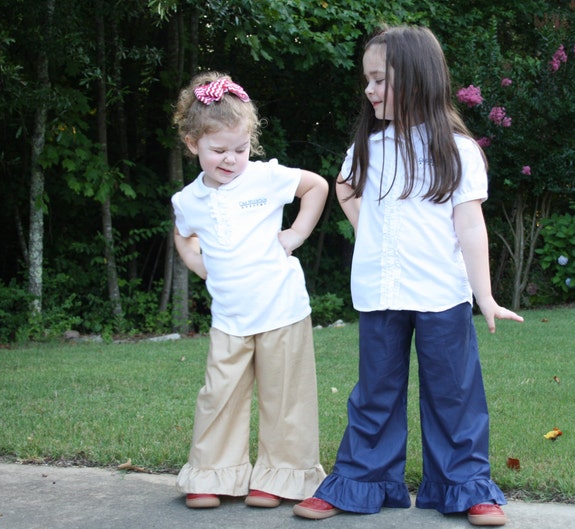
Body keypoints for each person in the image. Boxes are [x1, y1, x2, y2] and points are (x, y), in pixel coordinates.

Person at [292, 26, 523, 527]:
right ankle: (358, 483)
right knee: (375, 393)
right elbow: (345, 188)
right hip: (380, 293)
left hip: (442, 294)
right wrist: (371, 234)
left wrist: (484, 294)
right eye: (367, 81)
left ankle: (465, 486)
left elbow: (470, 226)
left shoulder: (458, 151)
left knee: (454, 394)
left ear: (417, 79)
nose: (369, 90)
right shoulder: (369, 148)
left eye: (379, 80)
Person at [171, 71, 328, 510]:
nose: (231, 159)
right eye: (218, 150)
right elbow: (183, 236)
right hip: (230, 319)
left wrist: (295, 234)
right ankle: (212, 474)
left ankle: (281, 478)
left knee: (286, 401)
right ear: (192, 144)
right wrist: (201, 266)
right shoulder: (189, 200)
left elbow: (316, 186)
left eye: (240, 149)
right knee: (219, 397)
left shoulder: (266, 178)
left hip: (282, 309)